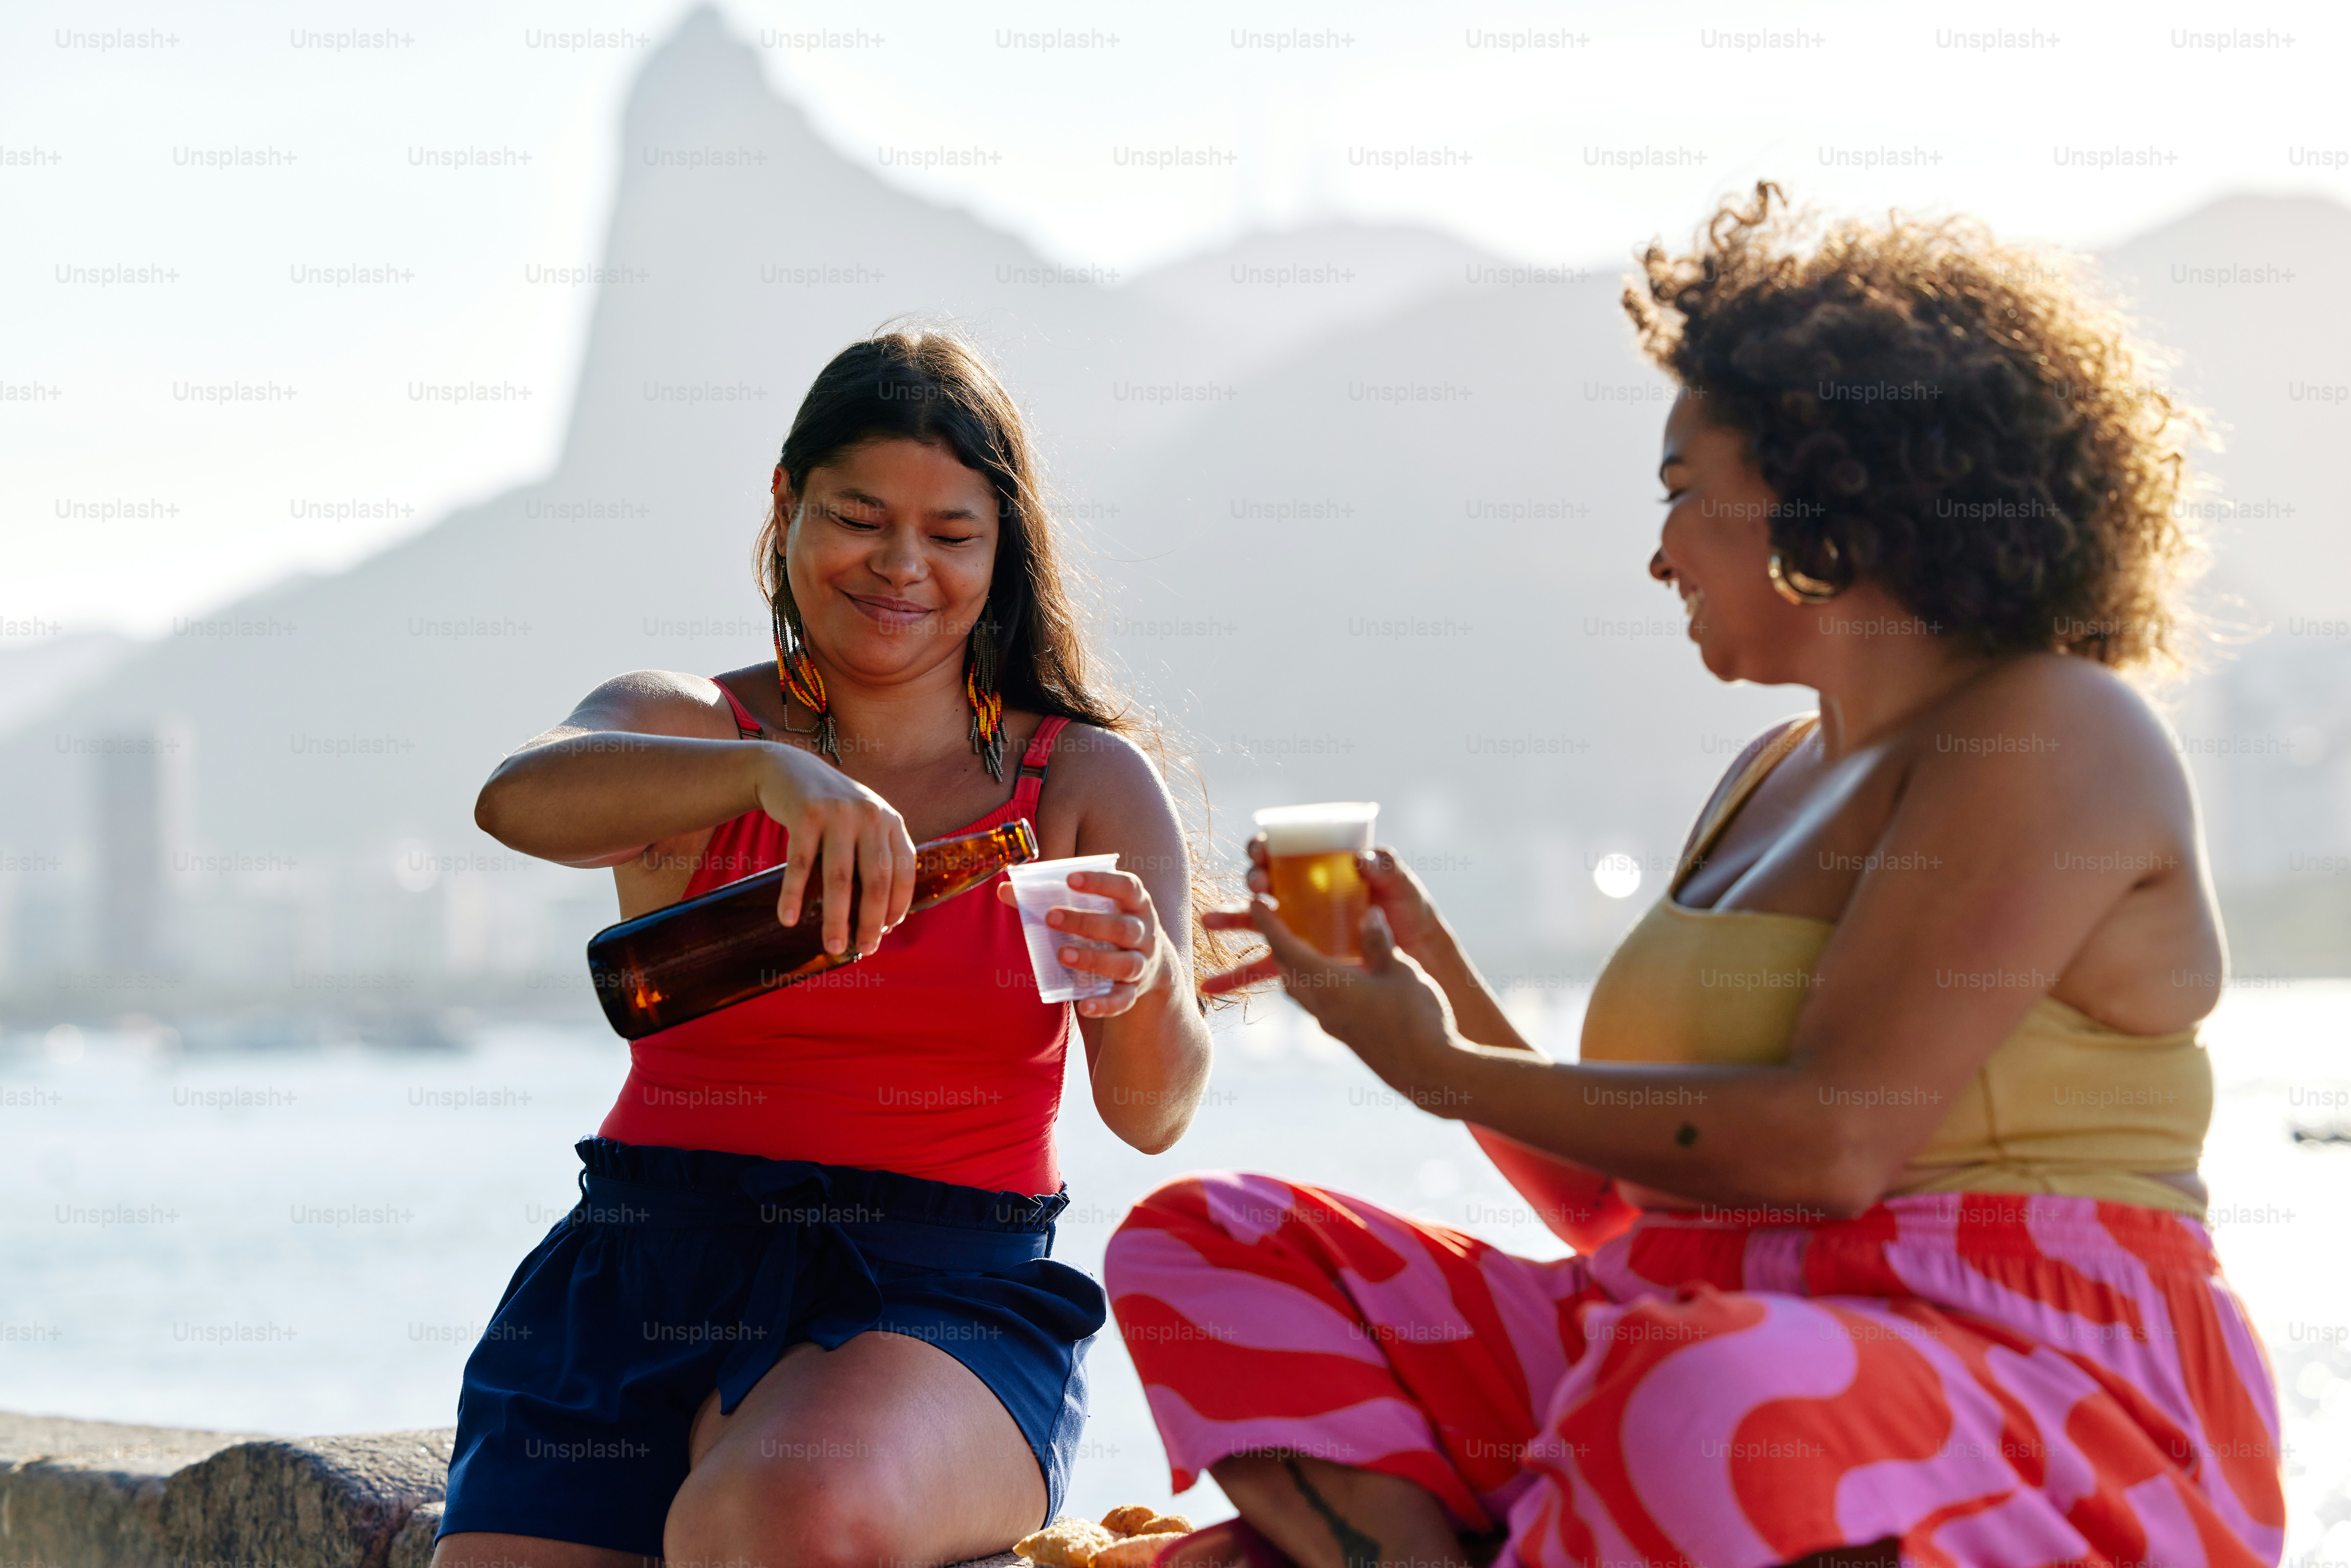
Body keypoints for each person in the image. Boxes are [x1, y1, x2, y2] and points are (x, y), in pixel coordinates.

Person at [1106, 185, 2285, 1568]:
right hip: (1676, 1333)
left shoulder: (2051, 726)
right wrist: (1443, 1003)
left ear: (1826, 494)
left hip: (2013, 1375)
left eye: (1680, 495)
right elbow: (1633, 1212)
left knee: (1700, 1389)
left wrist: (1443, 1071)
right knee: (1209, 1245)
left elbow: (1832, 1145)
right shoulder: (1767, 773)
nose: (1656, 552)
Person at [432, 331, 1216, 1568]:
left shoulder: (1080, 782)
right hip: (639, 1267)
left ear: (1000, 552)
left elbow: (1153, 1111)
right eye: (860, 518)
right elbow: (515, 801)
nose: (904, 566)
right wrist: (766, 771)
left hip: (937, 1290)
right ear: (788, 505)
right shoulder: (693, 732)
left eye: (953, 535)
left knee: (769, 1519)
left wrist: (1151, 976)